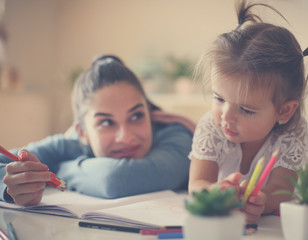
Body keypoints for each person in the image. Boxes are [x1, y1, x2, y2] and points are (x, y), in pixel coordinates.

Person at [188, 1, 308, 224]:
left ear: (284, 111)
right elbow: (197, 183)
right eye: (219, 98)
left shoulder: (292, 133)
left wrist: (262, 201)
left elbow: (282, 189)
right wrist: (214, 193)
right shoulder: (211, 126)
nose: (225, 116)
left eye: (246, 109)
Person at [0, 55, 195, 206]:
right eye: (106, 123)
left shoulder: (177, 136)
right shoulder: (70, 143)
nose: (125, 137)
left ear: (149, 113)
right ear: (82, 132)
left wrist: (58, 171)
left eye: (136, 116)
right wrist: (11, 184)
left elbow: (116, 179)